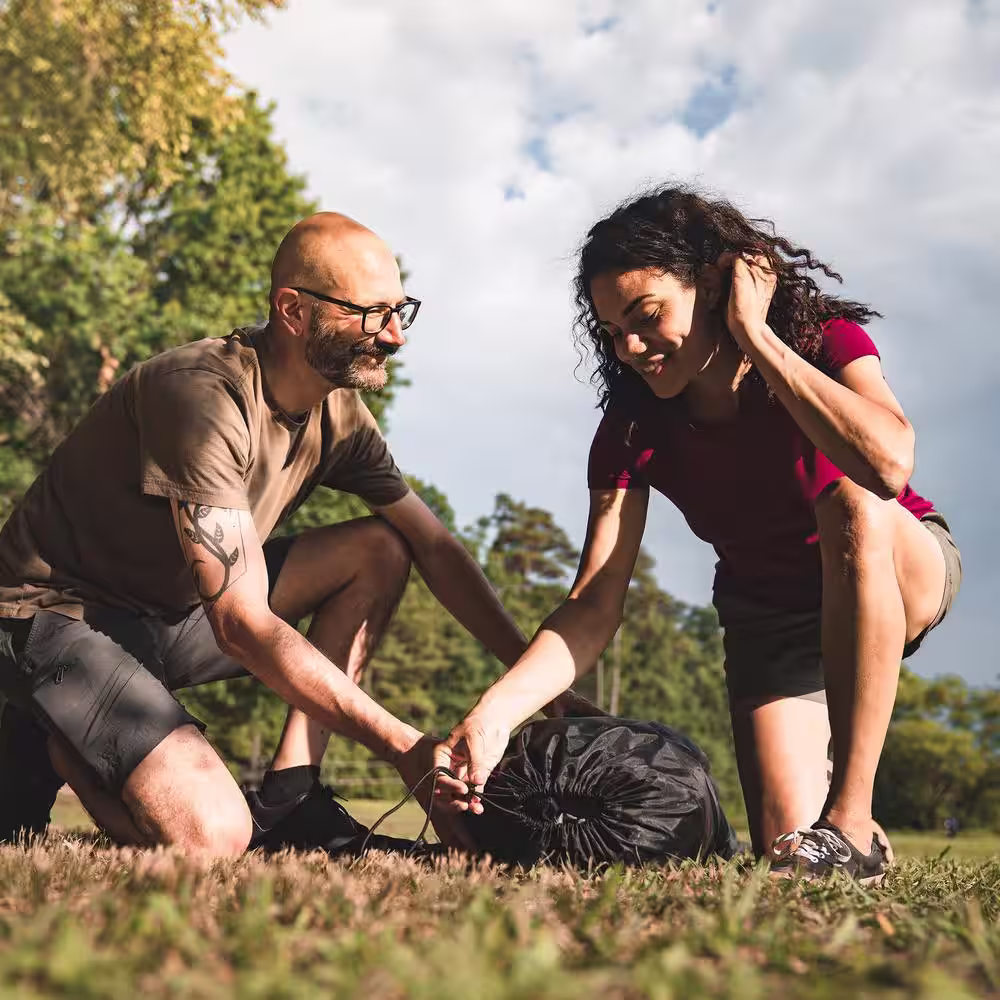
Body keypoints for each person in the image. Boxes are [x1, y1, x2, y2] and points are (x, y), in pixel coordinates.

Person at [434, 186, 961, 885]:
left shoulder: (823, 342)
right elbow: (594, 602)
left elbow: (889, 463)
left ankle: (853, 819)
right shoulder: (629, 428)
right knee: (785, 852)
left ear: (714, 285)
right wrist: (495, 714)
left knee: (851, 502)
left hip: (893, 563)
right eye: (611, 328)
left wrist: (759, 338)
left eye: (646, 316)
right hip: (769, 620)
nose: (628, 346)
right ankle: (853, 837)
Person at [0, 212, 545, 857]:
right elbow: (241, 625)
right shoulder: (202, 397)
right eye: (372, 314)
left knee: (380, 548)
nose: (396, 337)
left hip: (165, 623)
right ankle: (52, 737)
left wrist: (533, 685)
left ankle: (292, 793)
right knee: (214, 836)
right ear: (293, 310)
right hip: (51, 619)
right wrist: (405, 747)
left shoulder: (339, 416)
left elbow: (435, 547)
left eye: (402, 311)